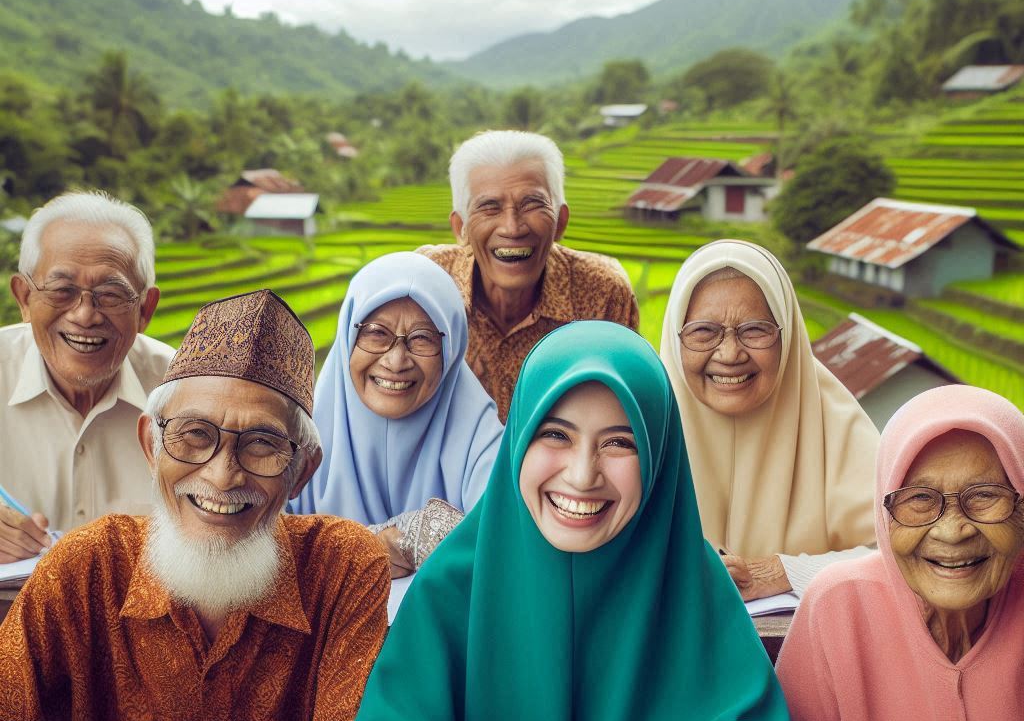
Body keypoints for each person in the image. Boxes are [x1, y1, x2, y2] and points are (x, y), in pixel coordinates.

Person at [343, 321, 808, 721]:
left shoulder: (691, 579)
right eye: (556, 435)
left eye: (620, 442)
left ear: (660, 453)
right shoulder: (456, 578)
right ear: (518, 438)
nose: (583, 474)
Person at [0, 289, 389, 721]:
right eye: (193, 435)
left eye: (261, 443)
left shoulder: (342, 564)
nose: (222, 474)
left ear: (303, 469)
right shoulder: (88, 567)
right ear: (151, 445)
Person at [776, 385, 1024, 721]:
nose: (953, 530)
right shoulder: (838, 605)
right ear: (884, 511)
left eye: (985, 496)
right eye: (919, 501)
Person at [659, 239, 880, 601]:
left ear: (786, 335)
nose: (730, 354)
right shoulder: (640, 432)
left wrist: (780, 571)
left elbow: (901, 553)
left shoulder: (836, 426)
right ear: (675, 338)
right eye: (703, 331)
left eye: (755, 330)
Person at [295, 252, 503, 578]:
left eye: (422, 338)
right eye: (376, 333)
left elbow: (507, 535)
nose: (395, 361)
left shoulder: (482, 436)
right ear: (349, 335)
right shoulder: (295, 436)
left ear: (451, 349)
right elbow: (258, 542)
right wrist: (379, 544)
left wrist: (412, 534)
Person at [420, 130, 639, 421]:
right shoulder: (425, 284)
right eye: (489, 208)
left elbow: (624, 415)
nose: (512, 228)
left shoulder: (603, 292)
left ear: (560, 222)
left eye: (532, 205)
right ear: (460, 228)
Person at [0, 191, 171, 563]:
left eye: (111, 295)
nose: (85, 315)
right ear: (24, 298)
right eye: (62, 291)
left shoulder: (185, 396)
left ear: (145, 309)